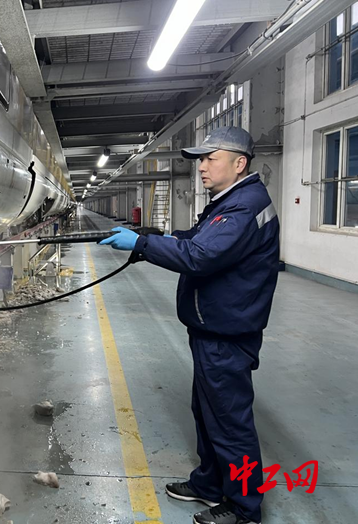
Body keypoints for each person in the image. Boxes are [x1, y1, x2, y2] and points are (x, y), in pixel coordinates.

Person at [100, 127, 279, 524]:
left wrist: (142, 245)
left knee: (230, 423)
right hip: (212, 327)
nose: (201, 166)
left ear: (239, 163)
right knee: (208, 412)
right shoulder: (228, 202)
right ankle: (210, 484)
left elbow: (200, 256)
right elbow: (195, 239)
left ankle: (244, 508)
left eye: (210, 158)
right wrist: (154, 237)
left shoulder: (243, 207)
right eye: (201, 159)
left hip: (227, 334)